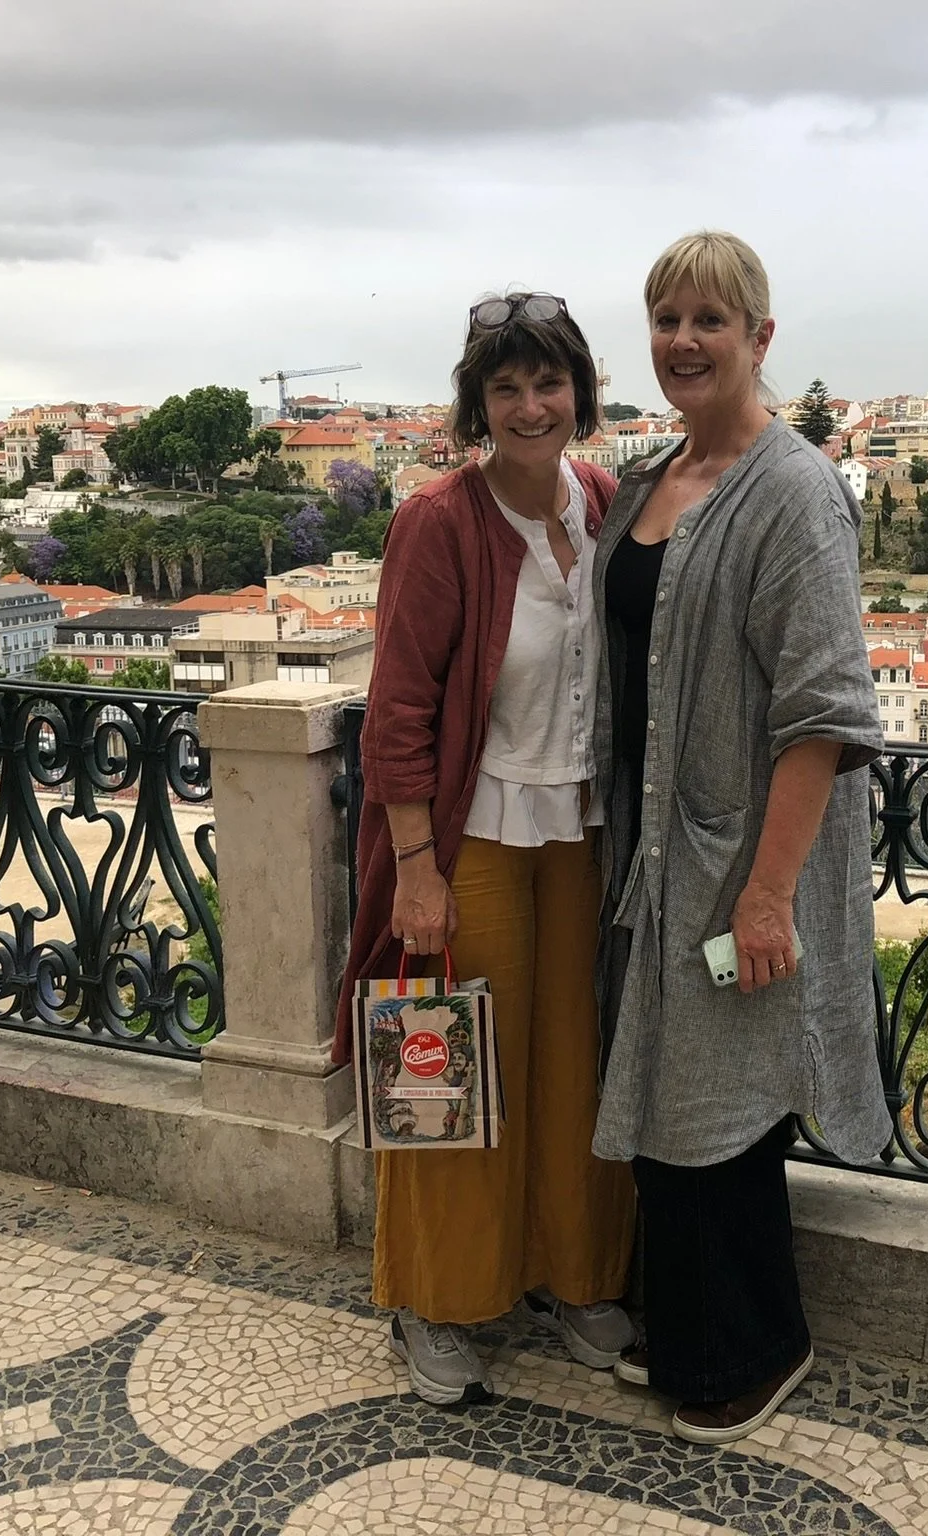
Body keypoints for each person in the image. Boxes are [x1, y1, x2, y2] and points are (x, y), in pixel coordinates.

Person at [590, 231, 890, 1446]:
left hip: (739, 855)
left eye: (709, 320)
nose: (682, 341)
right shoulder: (648, 479)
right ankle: (684, 1328)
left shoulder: (794, 494)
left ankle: (757, 1348)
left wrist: (767, 896)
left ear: (759, 338)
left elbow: (822, 714)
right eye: (666, 319)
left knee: (725, 1102)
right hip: (651, 847)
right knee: (667, 1085)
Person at [335, 290, 637, 1405]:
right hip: (473, 839)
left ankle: (571, 1275)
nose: (530, 406)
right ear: (478, 405)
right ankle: (434, 1297)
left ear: (579, 393)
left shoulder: (601, 502)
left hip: (579, 834)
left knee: (572, 1071)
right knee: (448, 1068)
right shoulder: (439, 522)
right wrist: (415, 869)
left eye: (547, 382)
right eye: (506, 388)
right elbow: (398, 710)